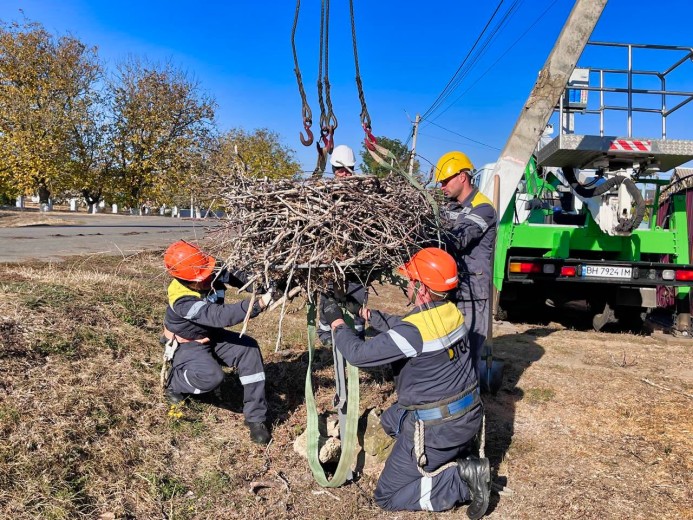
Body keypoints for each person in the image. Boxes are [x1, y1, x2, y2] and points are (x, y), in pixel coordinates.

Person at [321, 247, 491, 519]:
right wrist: (364, 313)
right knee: (390, 420)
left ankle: (462, 479)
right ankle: (450, 454)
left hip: (438, 428)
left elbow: (358, 355)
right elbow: (406, 326)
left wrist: (337, 321)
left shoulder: (414, 333)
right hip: (467, 415)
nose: (407, 286)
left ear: (422, 288)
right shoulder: (451, 312)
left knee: (387, 496)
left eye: (411, 281)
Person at [162, 240, 272, 444]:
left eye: (208, 273)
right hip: (188, 343)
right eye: (201, 279)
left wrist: (266, 285)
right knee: (212, 377)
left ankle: (255, 417)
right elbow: (220, 316)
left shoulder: (208, 268)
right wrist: (259, 304)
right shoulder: (182, 300)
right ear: (183, 279)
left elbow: (239, 278)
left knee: (249, 350)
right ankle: (175, 382)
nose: (207, 279)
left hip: (212, 334)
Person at [435, 151, 498, 383]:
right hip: (452, 291)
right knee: (449, 355)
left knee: (468, 358)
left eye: (445, 181)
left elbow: (457, 239)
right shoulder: (451, 207)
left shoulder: (484, 209)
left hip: (473, 295)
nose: (441, 187)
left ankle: (470, 409)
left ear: (463, 176)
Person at [317, 144, 367, 345]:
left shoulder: (364, 194)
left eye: (347, 169)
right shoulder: (323, 193)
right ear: (333, 170)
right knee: (327, 297)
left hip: (356, 259)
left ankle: (357, 337)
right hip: (329, 257)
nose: (343, 174)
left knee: (356, 297)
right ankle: (326, 334)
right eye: (339, 169)